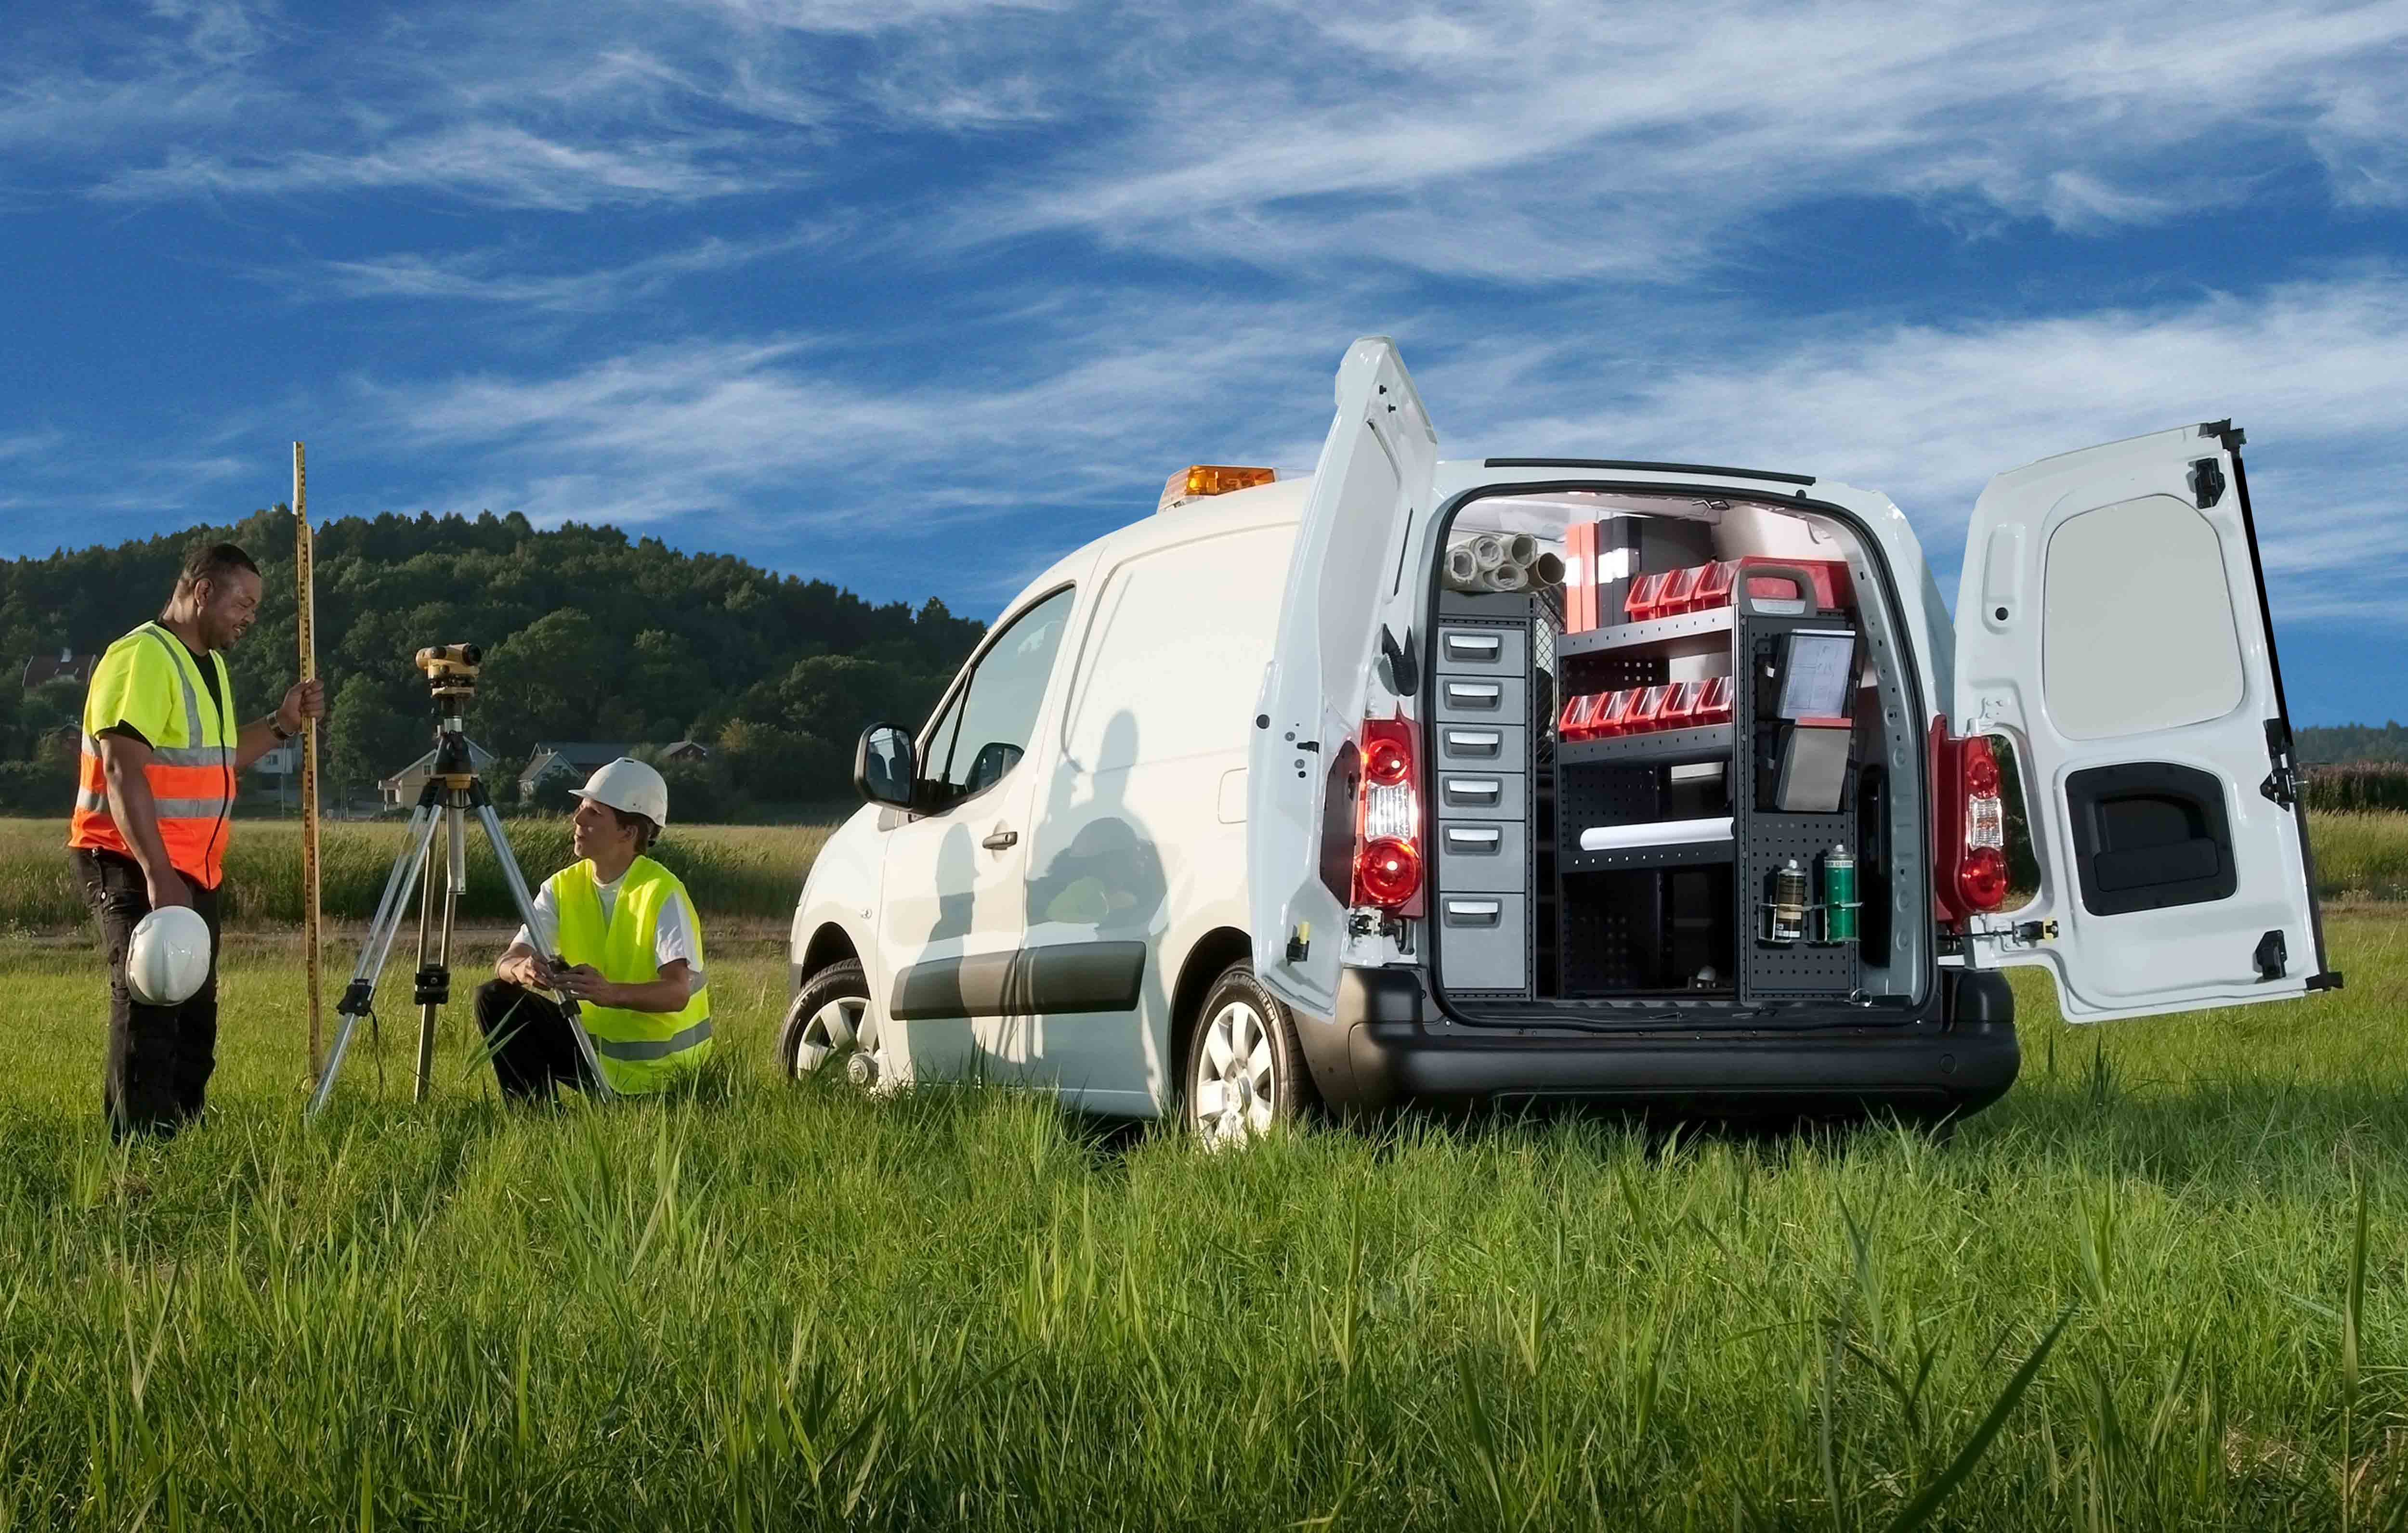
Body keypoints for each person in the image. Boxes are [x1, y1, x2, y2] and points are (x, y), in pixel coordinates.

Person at [68, 541, 324, 1141]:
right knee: (153, 997)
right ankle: (139, 1147)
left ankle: (181, 1132)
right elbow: (123, 768)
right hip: (130, 858)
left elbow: (219, 758)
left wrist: (284, 723)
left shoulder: (207, 666)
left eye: (256, 609)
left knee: (194, 1011)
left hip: (192, 868)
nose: (249, 618)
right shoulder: (142, 656)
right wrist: (158, 873)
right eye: (244, 603)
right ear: (203, 590)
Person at [475, 758, 713, 1102]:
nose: (577, 819)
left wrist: (609, 993)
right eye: (581, 808)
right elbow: (508, 959)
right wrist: (521, 969)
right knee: (493, 995)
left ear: (628, 832)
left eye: (594, 813)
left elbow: (677, 994)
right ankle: (537, 1122)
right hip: (594, 1053)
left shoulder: (662, 892)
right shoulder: (562, 887)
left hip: (661, 1077)